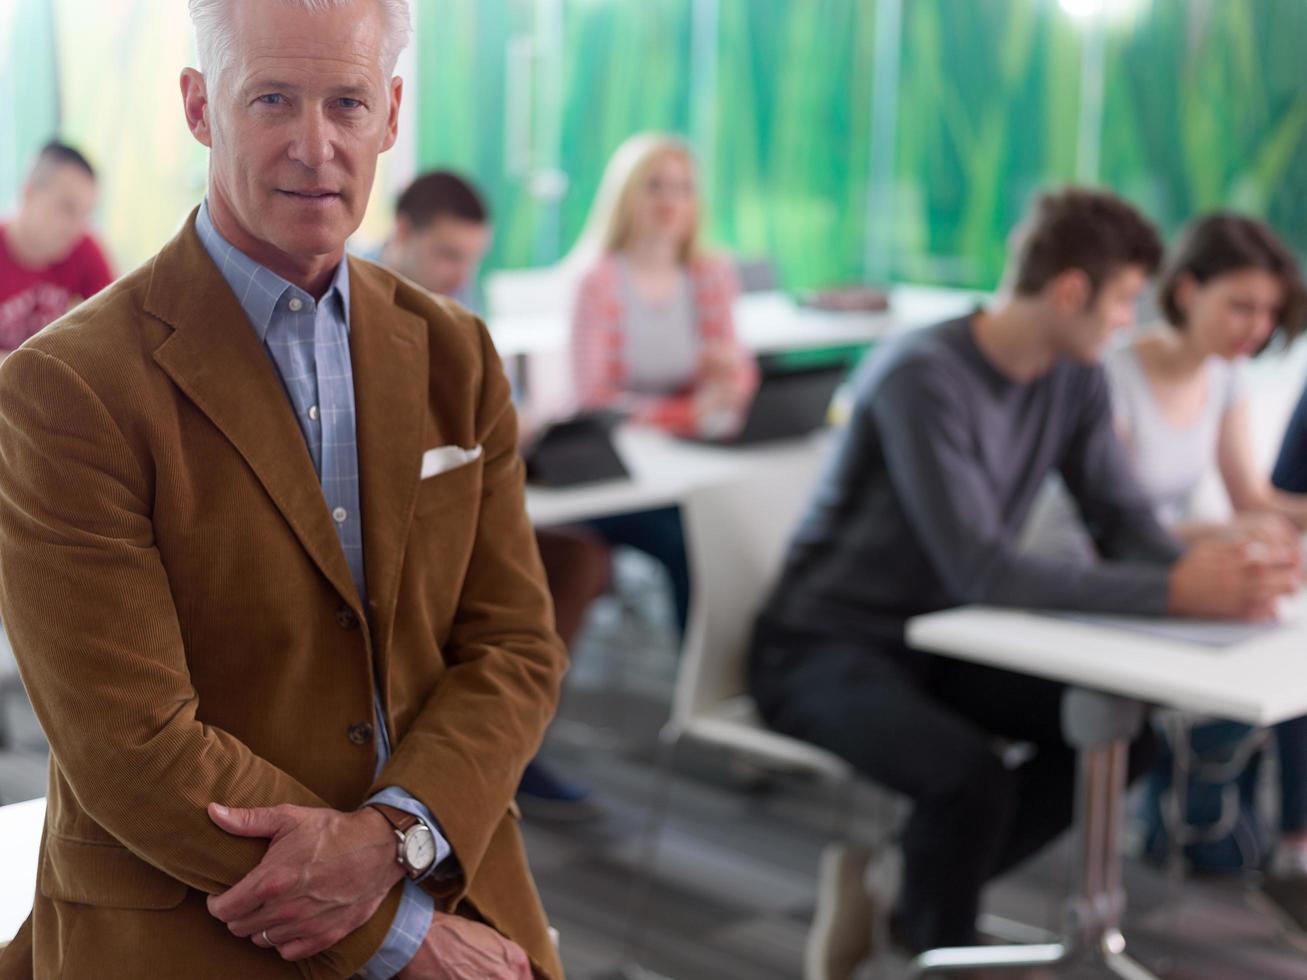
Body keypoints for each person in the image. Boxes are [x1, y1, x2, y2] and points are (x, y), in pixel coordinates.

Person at [0, 2, 564, 978]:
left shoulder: (455, 355)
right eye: (271, 98)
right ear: (198, 107)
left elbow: (513, 643)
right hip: (187, 903)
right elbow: (130, 741)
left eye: (347, 102)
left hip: (439, 859)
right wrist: (399, 931)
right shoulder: (66, 388)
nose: (317, 146)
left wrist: (393, 837)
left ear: (389, 114)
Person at [747, 189, 1301, 980]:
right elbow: (981, 566)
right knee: (964, 777)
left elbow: (1124, 523)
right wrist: (1177, 593)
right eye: (1119, 304)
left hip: (942, 635)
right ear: (1070, 291)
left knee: (1116, 734)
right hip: (819, 645)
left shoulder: (1070, 377)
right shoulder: (920, 375)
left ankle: (909, 892)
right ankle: (939, 945)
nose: (1125, 324)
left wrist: (1216, 574)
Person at [1078, 212, 1307, 940]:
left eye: (1267, 310)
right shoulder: (1109, 376)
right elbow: (1110, 526)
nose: (1255, 324)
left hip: (1170, 568)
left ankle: (1289, 850)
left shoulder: (1223, 377)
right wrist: (1232, 532)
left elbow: (1251, 498)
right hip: (1098, 578)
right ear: (1185, 292)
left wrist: (1278, 520)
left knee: (1289, 642)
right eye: (1239, 304)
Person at [375, 169, 610, 818]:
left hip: (456, 502)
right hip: (393, 527)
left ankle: (506, 745)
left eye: (471, 258)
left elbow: (478, 406)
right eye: (448, 255)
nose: (459, 272)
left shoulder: (455, 308)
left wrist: (515, 424)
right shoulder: (350, 305)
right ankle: (453, 765)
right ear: (401, 234)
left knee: (579, 559)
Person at [570, 133, 758, 635]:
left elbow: (738, 370)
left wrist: (727, 380)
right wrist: (686, 412)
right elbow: (595, 399)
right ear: (627, 195)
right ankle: (697, 684)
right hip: (621, 474)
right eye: (655, 186)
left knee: (745, 525)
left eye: (683, 188)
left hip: (688, 459)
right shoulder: (600, 281)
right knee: (691, 540)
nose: (670, 201)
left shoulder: (710, 275)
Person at [0, 141, 114, 353]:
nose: (76, 228)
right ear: (29, 194)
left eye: (85, 214)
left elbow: (118, 326)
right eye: (67, 208)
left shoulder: (83, 248)